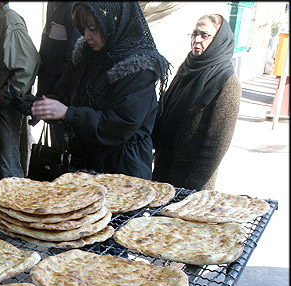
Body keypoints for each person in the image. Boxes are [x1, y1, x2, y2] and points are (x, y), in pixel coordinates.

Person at [31, 2, 169, 180]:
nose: (87, 36)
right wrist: (35, 105)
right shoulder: (86, 56)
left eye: (93, 28)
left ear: (113, 24)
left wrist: (68, 113)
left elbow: (119, 124)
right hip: (87, 165)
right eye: (84, 28)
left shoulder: (139, 69)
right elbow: (62, 95)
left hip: (123, 172)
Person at [151, 14, 241, 191]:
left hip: (192, 182)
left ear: (219, 40)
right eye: (194, 34)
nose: (197, 40)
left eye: (204, 35)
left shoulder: (226, 81)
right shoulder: (188, 68)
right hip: (164, 171)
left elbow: (216, 146)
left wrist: (192, 190)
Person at [0, 1, 41, 179]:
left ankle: (17, 203)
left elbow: (29, 64)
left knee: (8, 163)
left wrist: (4, 95)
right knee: (1, 160)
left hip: (6, 104)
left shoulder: (9, 21)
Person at [36, 2, 81, 150]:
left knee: (64, 155)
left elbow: (72, 59)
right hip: (51, 97)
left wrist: (56, 97)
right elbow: (47, 54)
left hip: (64, 101)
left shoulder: (73, 7)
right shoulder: (53, 5)